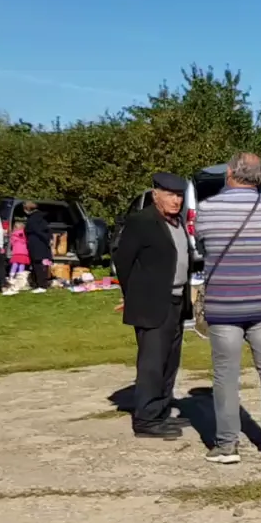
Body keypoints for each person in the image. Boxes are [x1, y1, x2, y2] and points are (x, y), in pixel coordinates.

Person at [195, 152, 261, 464]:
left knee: (225, 375)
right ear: (259, 176)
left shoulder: (208, 209)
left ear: (230, 173)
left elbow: (202, 248)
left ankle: (227, 445)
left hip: (224, 304)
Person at [113, 173, 192, 440]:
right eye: (170, 195)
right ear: (155, 194)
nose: (176, 200)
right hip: (151, 303)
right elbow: (123, 261)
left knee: (170, 361)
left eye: (180, 195)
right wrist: (132, 294)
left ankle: (160, 412)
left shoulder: (178, 223)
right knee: (152, 363)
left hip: (177, 302)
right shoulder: (142, 221)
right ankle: (145, 419)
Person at [24, 202, 53, 293]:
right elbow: (47, 231)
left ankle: (41, 285)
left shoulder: (32, 219)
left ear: (28, 209)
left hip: (36, 244)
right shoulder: (42, 218)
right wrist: (49, 239)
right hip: (44, 244)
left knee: (38, 265)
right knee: (44, 263)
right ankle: (41, 284)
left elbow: (33, 231)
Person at [9, 220, 30, 286]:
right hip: (24, 253)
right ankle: (20, 276)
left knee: (15, 264)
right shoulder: (25, 234)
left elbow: (12, 243)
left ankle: (11, 276)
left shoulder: (13, 235)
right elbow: (27, 241)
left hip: (16, 252)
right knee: (22, 265)